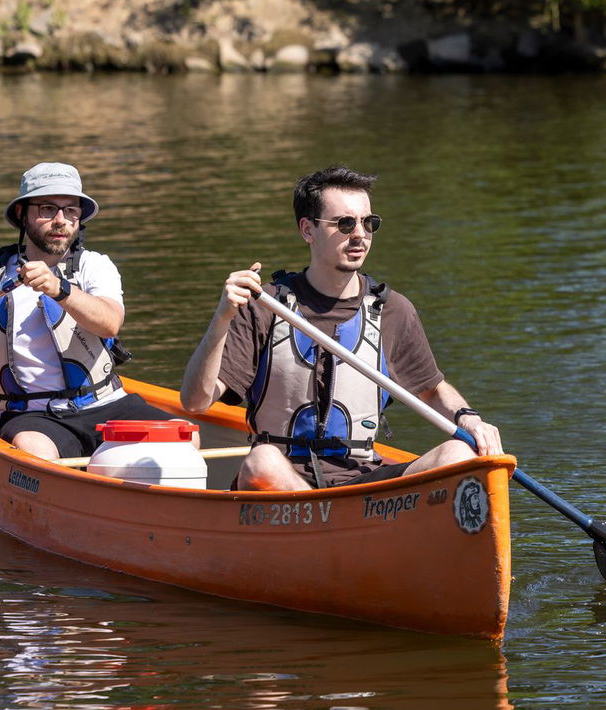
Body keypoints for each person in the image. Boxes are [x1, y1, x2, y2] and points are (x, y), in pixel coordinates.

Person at [181, 164, 503, 490]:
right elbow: (195, 401)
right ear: (308, 230)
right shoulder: (264, 306)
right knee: (261, 459)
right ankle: (322, 527)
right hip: (280, 485)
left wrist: (469, 418)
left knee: (459, 454)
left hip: (362, 482)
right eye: (345, 224)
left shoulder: (392, 311)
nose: (360, 234)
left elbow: (431, 389)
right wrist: (221, 318)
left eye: (369, 223)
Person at [0, 162, 185, 461]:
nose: (61, 220)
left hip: (107, 404)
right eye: (47, 209)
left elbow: (110, 324)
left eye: (71, 211)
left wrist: (59, 289)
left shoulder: (95, 265)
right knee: (35, 451)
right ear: (21, 215)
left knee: (183, 440)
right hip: (34, 417)